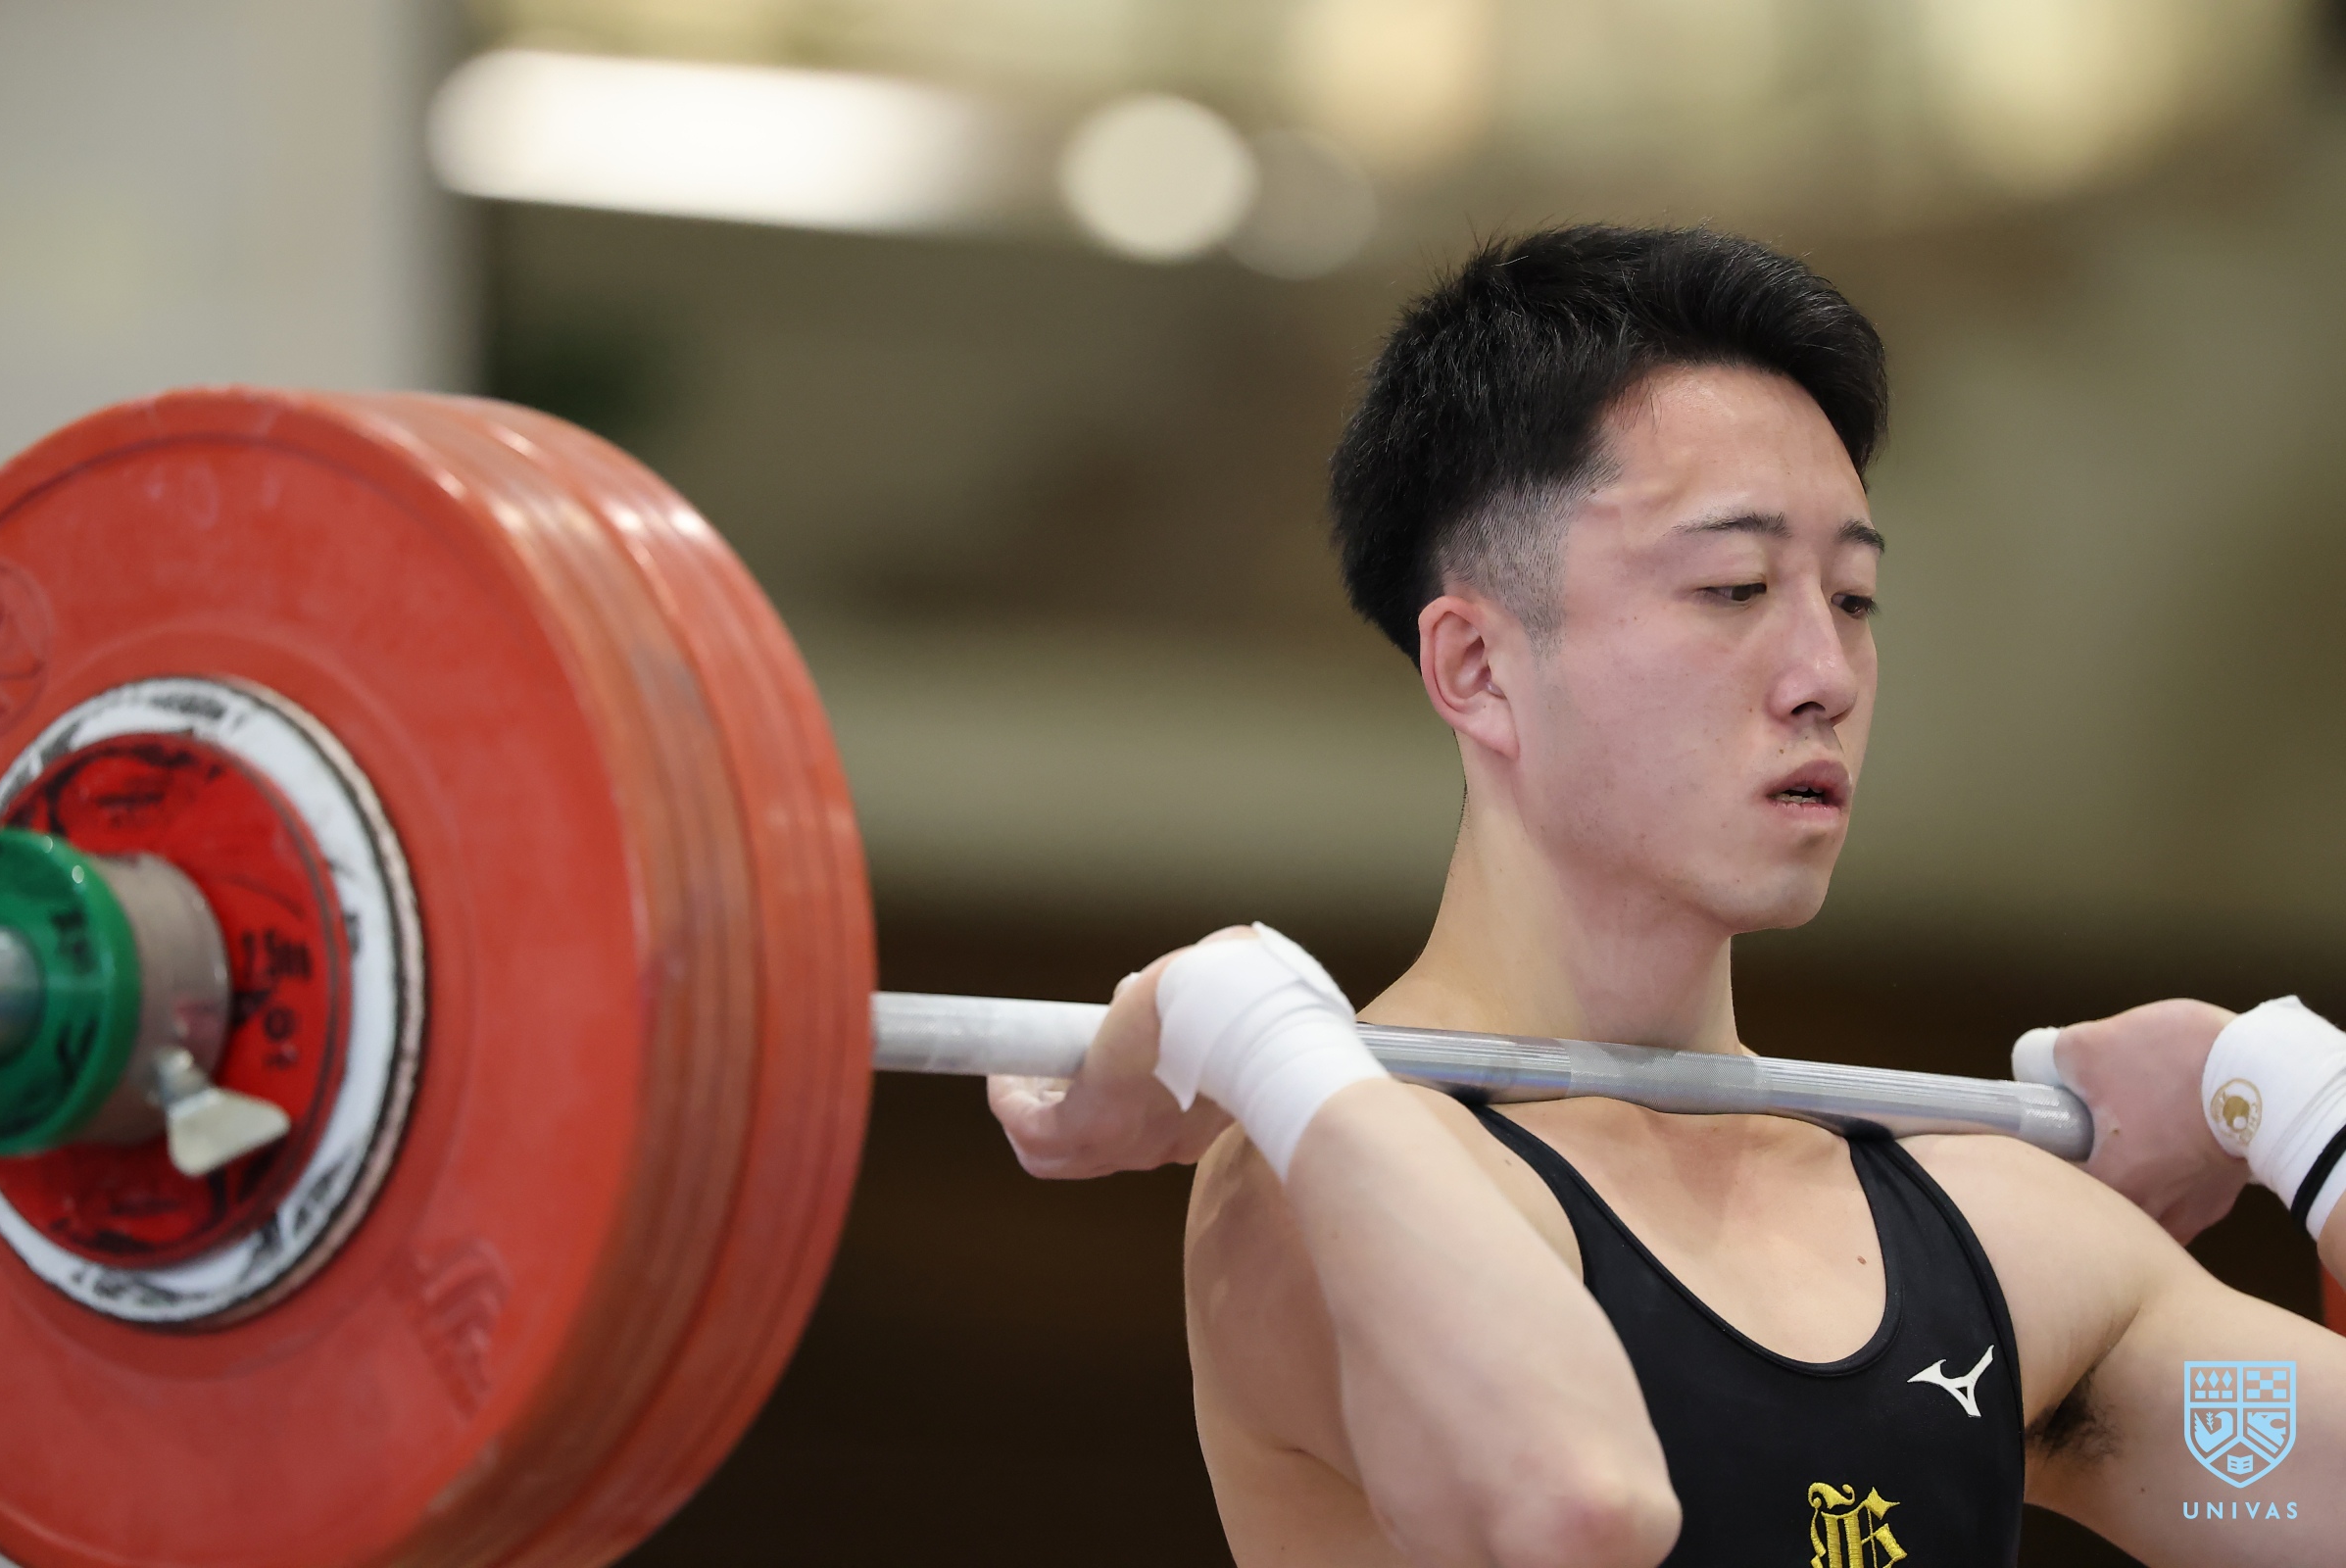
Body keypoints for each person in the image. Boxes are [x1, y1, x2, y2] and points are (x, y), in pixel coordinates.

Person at [987, 225, 2346, 1567]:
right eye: (1735, 586)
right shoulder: (1315, 1191)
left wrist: (2284, 1092)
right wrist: (1274, 1043)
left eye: (1854, 598)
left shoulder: (2002, 1241)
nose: (1826, 675)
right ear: (1476, 669)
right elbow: (1575, 1509)